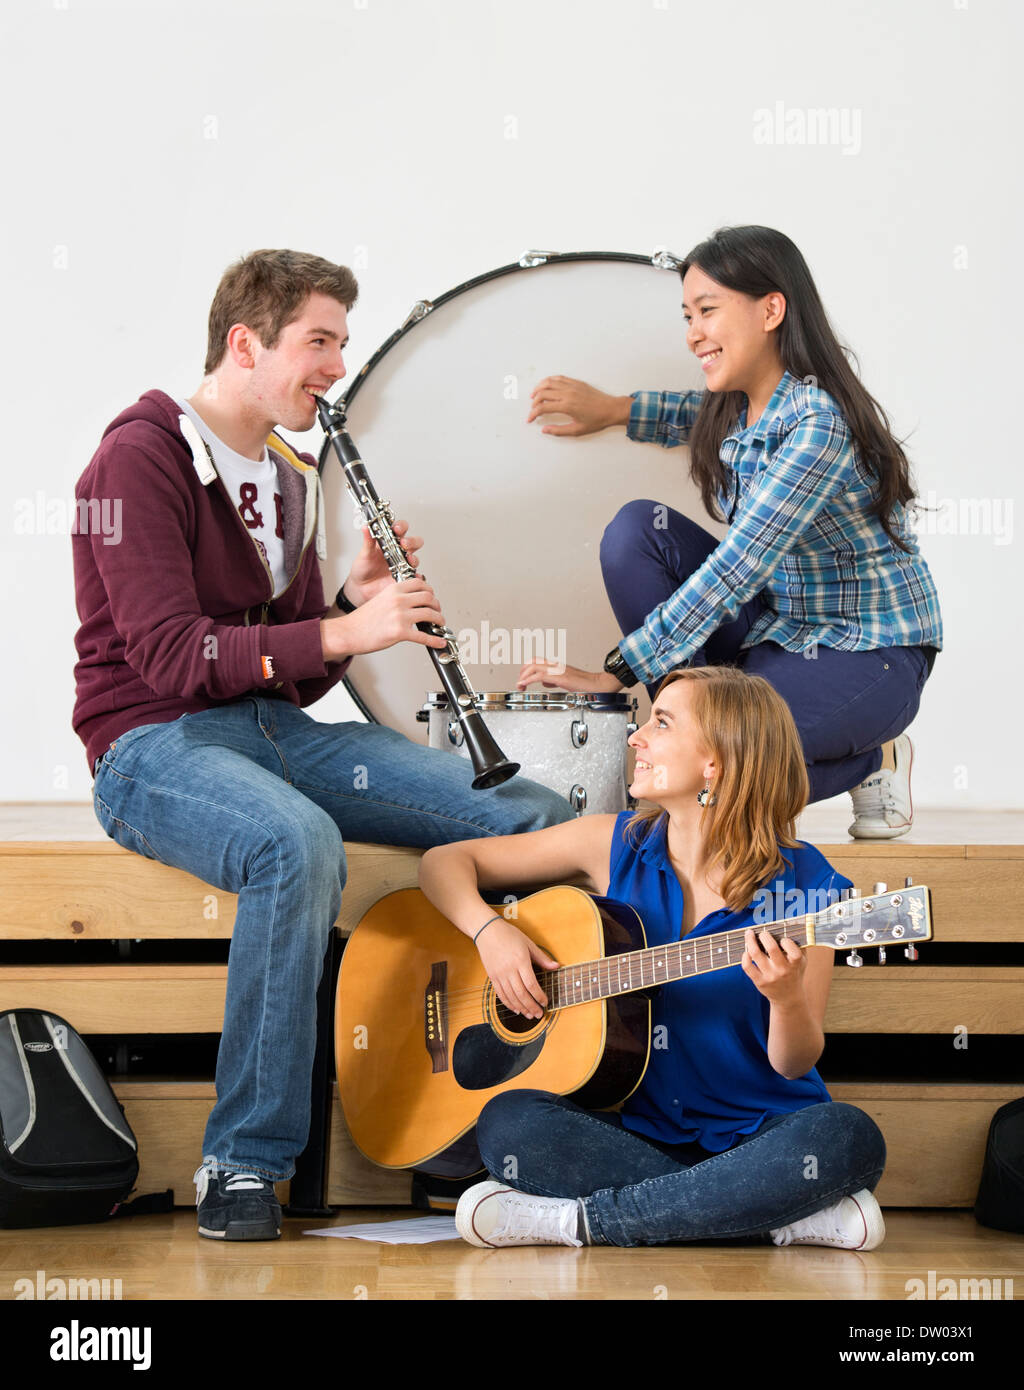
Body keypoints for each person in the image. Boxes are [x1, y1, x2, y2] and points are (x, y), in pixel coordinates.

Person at [71, 248, 572, 1242]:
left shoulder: (294, 473)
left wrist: (348, 600)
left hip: (274, 731)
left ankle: (477, 1107)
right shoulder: (140, 454)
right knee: (294, 843)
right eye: (319, 341)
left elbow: (288, 672)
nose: (337, 365)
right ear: (245, 343)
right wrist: (349, 630)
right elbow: (174, 657)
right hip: (149, 743)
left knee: (535, 816)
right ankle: (242, 1161)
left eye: (340, 342)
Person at [417, 665, 887, 1250]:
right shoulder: (612, 843)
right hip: (634, 1131)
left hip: (763, 1134)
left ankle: (581, 1224)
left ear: (714, 762)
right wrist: (490, 930)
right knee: (509, 1124)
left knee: (847, 1137)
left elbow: (795, 1063)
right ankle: (770, 1216)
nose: (636, 736)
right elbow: (443, 863)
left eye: (660, 723)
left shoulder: (807, 886)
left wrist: (786, 1000)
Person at [521, 225, 942, 841]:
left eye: (708, 311)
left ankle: (879, 758)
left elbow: (738, 567)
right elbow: (690, 413)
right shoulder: (741, 405)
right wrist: (615, 408)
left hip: (869, 654)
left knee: (722, 773)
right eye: (687, 314)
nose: (694, 332)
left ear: (772, 309)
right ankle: (687, 736)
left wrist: (617, 670)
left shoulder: (818, 425)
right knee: (638, 529)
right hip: (776, 636)